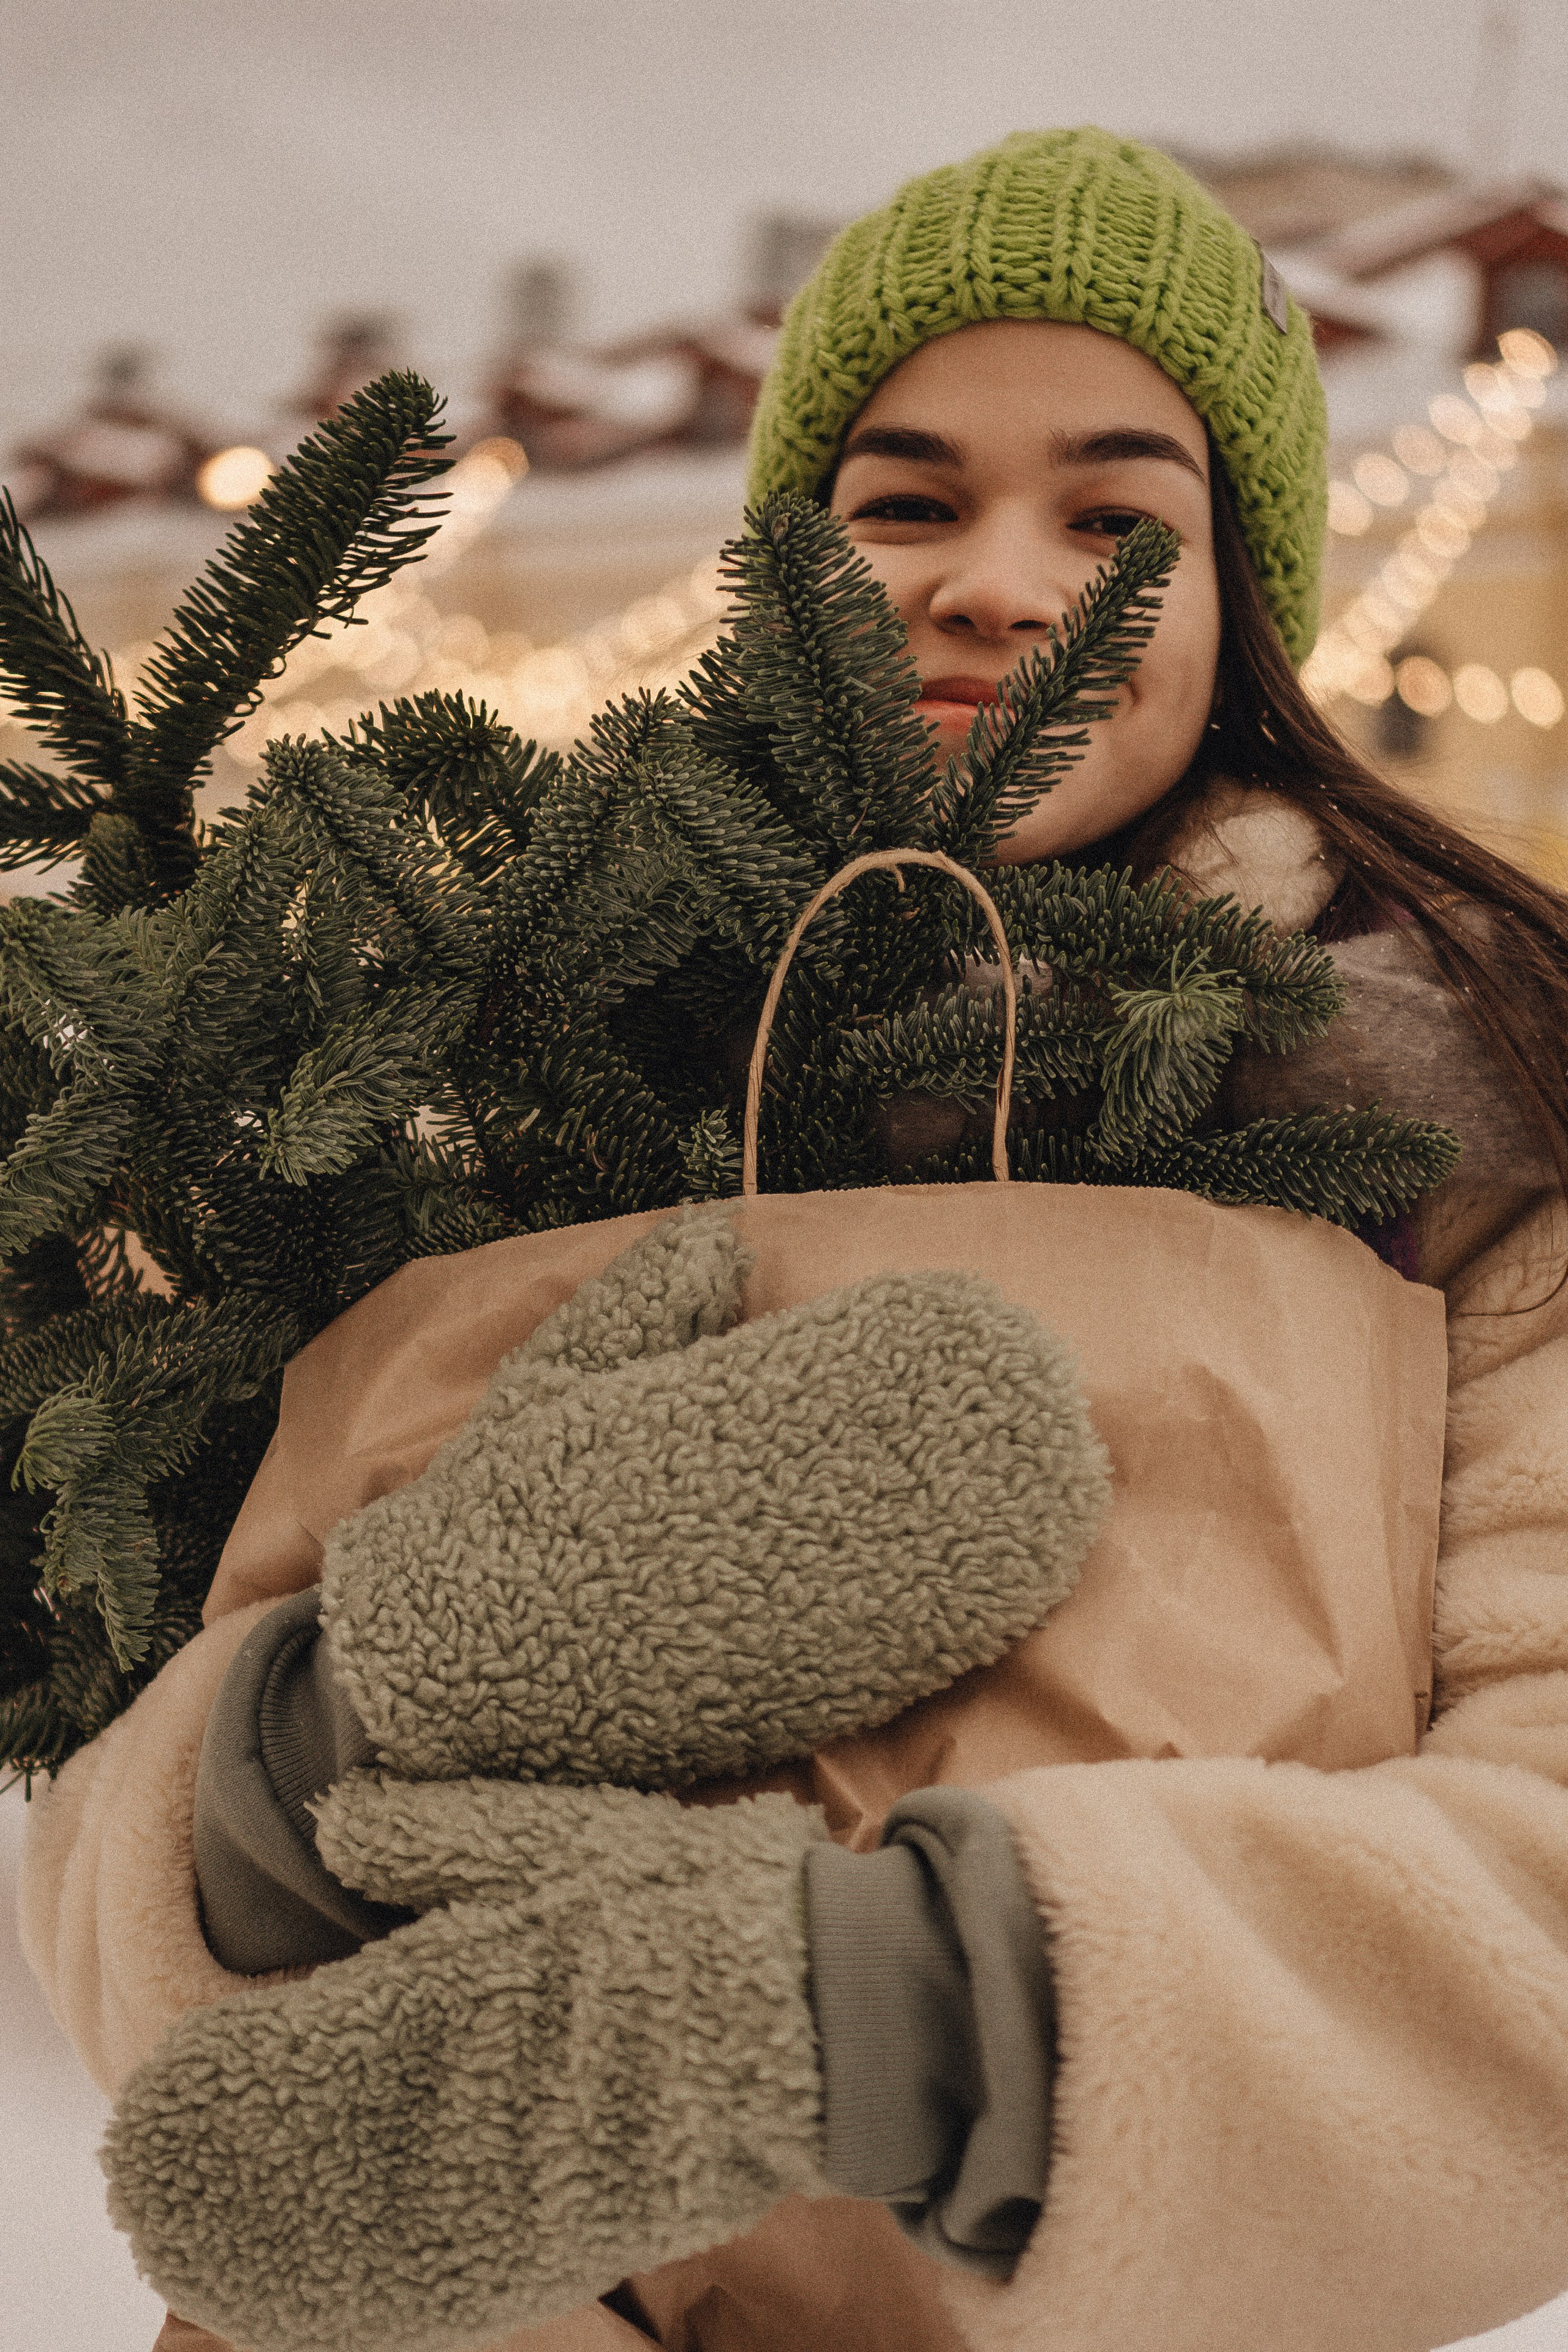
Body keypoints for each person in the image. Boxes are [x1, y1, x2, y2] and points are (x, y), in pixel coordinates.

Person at [22, 127, 1568, 2352]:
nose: (1000, 588)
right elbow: (112, 1871)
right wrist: (333, 1730)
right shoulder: (491, 1060)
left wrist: (869, 2000)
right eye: (906, 503)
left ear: (1245, 603)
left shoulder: (1468, 1109)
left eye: (1118, 524)